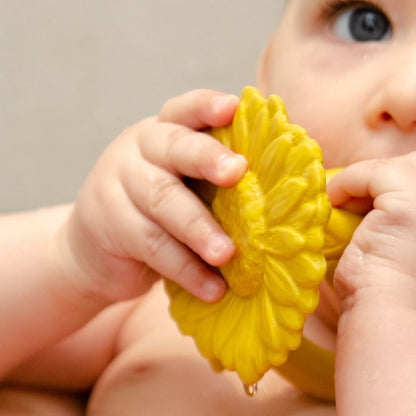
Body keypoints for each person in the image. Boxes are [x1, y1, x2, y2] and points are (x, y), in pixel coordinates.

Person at [1, 0, 416, 414]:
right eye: (365, 24)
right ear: (267, 71)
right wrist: (70, 261)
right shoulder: (178, 288)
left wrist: (391, 311)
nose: (406, 93)